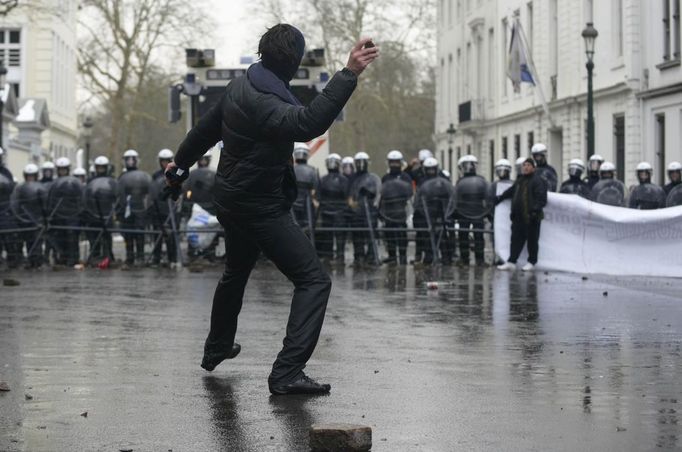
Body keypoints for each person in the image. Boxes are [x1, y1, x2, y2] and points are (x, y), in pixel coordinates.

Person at [164, 24, 379, 395]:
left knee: (235, 271)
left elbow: (204, 131)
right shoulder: (267, 102)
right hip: (258, 205)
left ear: (261, 52)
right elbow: (309, 124)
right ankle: (286, 373)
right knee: (314, 281)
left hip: (230, 196)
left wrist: (178, 169)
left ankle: (217, 348)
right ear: (294, 62)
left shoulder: (240, 86)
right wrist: (349, 72)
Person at [496, 158, 547, 272]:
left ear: (534, 168)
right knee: (515, 240)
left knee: (532, 241)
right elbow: (511, 191)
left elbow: (542, 199)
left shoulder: (538, 181)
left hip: (532, 217)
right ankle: (511, 262)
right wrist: (500, 198)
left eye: (529, 165)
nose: (526, 167)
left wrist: (534, 211)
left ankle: (531, 262)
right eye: (524, 165)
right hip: (518, 217)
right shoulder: (520, 180)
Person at [414, 157, 454, 264]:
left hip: (441, 212)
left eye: (432, 169)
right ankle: (429, 257)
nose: (431, 172)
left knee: (443, 237)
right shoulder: (422, 181)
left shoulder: (443, 181)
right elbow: (418, 198)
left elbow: (450, 195)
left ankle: (446, 257)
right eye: (429, 169)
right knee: (427, 236)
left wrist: (447, 212)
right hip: (426, 214)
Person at [453, 155, 489, 266]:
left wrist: (455, 212)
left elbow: (455, 199)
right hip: (478, 213)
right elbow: (487, 198)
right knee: (478, 236)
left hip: (463, 213)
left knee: (464, 236)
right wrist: (487, 212)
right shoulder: (482, 181)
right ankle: (480, 259)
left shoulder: (460, 182)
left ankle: (465, 259)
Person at [118, 149, 152, 267]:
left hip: (139, 209)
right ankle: (130, 256)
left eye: (133, 159)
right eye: (128, 159)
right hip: (128, 210)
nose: (131, 162)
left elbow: (149, 194)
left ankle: (140, 256)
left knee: (139, 234)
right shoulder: (123, 177)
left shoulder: (143, 176)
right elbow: (119, 194)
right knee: (129, 235)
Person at [379, 150, 413, 265]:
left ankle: (403, 256)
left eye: (396, 162)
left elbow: (409, 192)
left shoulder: (405, 177)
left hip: (400, 211)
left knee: (401, 235)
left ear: (400, 163)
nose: (394, 165)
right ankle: (392, 256)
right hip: (388, 211)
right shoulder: (385, 178)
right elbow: (382, 193)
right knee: (389, 235)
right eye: (392, 162)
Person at [348, 151, 381, 265]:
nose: (361, 165)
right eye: (358, 162)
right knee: (357, 237)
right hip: (356, 212)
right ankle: (359, 257)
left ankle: (371, 257)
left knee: (370, 236)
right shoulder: (351, 178)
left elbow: (376, 194)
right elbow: (349, 194)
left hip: (370, 211)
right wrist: (351, 202)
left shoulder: (373, 178)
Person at [48, 157, 82, 266]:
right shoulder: (54, 184)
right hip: (58, 215)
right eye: (60, 169)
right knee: (59, 237)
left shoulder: (75, 182)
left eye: (64, 169)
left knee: (72, 237)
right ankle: (60, 257)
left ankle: (73, 258)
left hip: (73, 215)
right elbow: (50, 199)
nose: (62, 172)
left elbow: (81, 198)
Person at [84, 156, 117, 265]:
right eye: (99, 168)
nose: (100, 170)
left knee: (107, 238)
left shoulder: (112, 181)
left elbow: (116, 196)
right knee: (94, 239)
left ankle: (108, 256)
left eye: (103, 168)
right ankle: (95, 256)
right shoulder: (91, 181)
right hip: (93, 214)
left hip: (107, 213)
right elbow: (86, 196)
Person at [316, 153, 349, 262]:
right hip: (340, 212)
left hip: (327, 211)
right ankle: (339, 257)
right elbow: (346, 195)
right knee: (338, 236)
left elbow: (318, 196)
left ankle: (328, 256)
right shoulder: (344, 180)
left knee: (328, 236)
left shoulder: (323, 179)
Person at [12, 164, 45, 268]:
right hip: (22, 220)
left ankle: (36, 262)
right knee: (20, 242)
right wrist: (18, 217)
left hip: (36, 220)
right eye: (28, 176)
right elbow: (15, 203)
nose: (30, 178)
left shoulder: (41, 188)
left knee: (36, 242)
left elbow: (44, 205)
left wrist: (43, 219)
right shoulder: (19, 188)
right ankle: (20, 261)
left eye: (32, 176)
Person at [149, 150, 177, 268]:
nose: (165, 164)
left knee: (171, 236)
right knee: (157, 236)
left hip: (172, 210)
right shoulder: (155, 176)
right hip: (158, 210)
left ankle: (173, 259)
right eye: (163, 161)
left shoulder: (176, 174)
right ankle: (156, 258)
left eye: (167, 161)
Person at [292, 142, 319, 234]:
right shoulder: (312, 171)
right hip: (306, 206)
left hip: (292, 204)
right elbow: (313, 191)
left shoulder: (291, 169)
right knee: (308, 229)